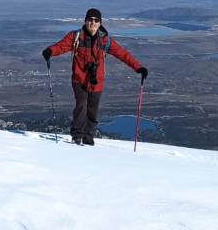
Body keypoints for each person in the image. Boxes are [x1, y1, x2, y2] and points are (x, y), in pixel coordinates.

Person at [42, 8, 147, 145]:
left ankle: (88, 136)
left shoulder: (105, 41)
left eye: (96, 20)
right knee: (81, 106)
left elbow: (123, 54)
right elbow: (61, 46)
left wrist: (138, 67)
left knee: (93, 110)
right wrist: (50, 51)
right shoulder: (76, 37)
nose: (93, 23)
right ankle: (77, 136)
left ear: (100, 23)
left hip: (97, 82)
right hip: (79, 80)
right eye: (90, 20)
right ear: (85, 21)